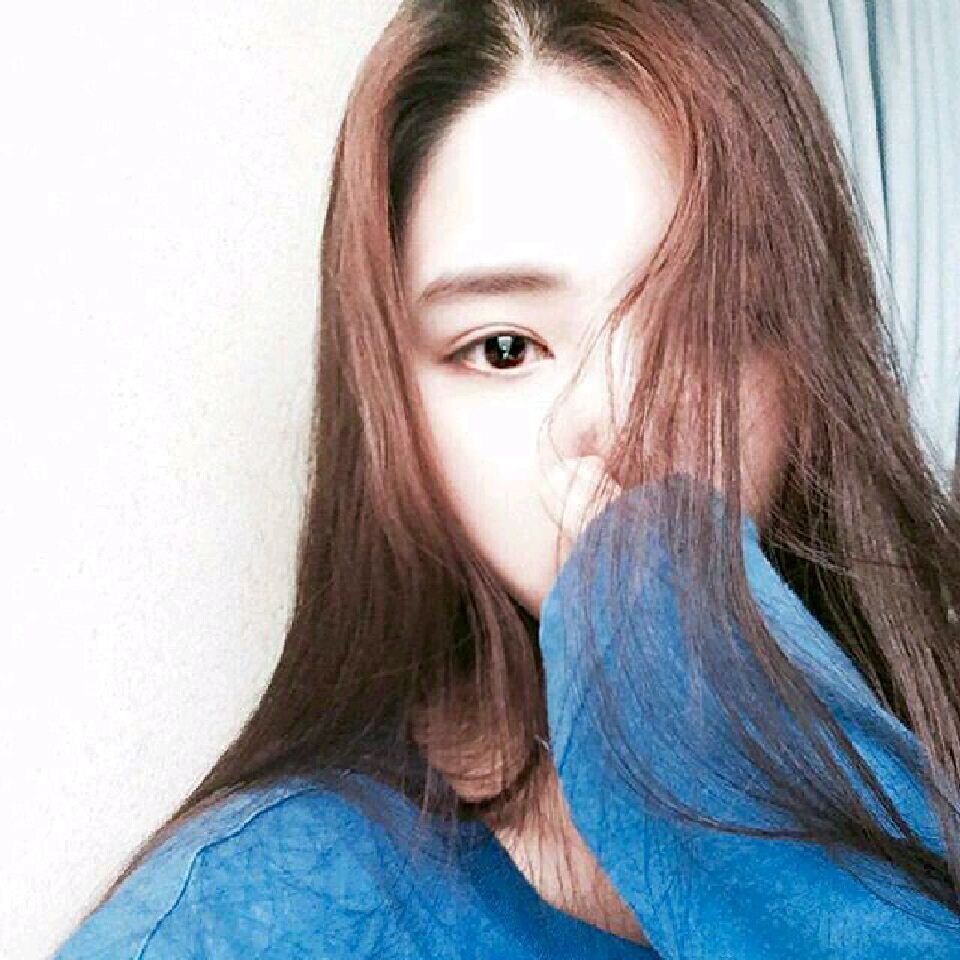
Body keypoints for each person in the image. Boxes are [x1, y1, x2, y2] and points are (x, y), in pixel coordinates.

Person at [53, 1, 960, 957]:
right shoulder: (245, 925)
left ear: (812, 366)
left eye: (705, 327)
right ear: (391, 407)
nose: (616, 417)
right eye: (504, 348)